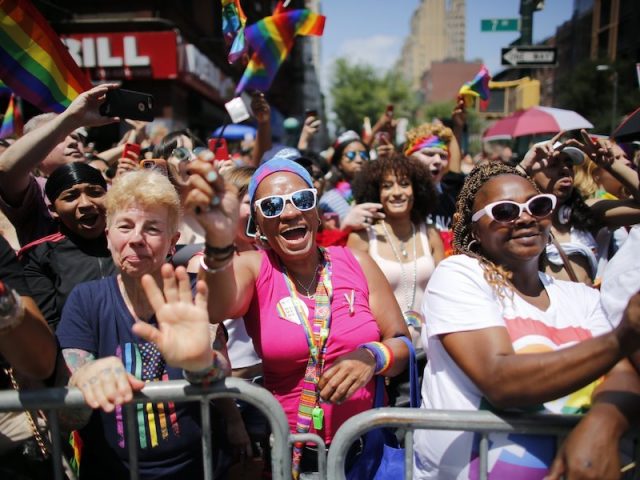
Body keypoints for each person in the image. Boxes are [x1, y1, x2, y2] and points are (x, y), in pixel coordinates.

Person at [184, 156, 410, 477]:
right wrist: (219, 243)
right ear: (259, 224)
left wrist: (372, 356)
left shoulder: (356, 261)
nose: (289, 212)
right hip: (295, 460)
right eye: (272, 206)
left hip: (368, 454)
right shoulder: (255, 267)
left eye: (301, 200)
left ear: (316, 212)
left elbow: (401, 342)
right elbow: (217, 307)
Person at [413, 162, 640, 479]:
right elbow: (500, 380)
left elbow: (623, 375)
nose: (524, 217)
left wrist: (603, 422)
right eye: (504, 211)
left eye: (538, 205)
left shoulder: (582, 297)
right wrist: (620, 340)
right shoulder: (459, 276)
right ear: (475, 229)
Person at [56, 170, 231, 479]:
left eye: (152, 228)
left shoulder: (190, 291)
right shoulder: (86, 300)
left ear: (173, 241)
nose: (136, 238)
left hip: (198, 469)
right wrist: (83, 380)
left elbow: (219, 374)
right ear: (108, 234)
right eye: (125, 225)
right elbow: (67, 416)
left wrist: (201, 362)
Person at [0, 84, 119, 246]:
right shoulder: (35, 192)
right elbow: (6, 169)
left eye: (76, 138)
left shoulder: (109, 187)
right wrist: (71, 118)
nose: (72, 143)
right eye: (61, 138)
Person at [518, 130, 640, 285]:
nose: (565, 170)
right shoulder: (515, 218)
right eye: (554, 164)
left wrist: (610, 164)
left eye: (569, 164)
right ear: (531, 174)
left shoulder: (589, 212)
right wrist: (521, 169)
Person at [349, 154, 444, 343]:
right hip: (386, 349)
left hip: (432, 344)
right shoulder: (361, 238)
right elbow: (352, 302)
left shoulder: (431, 234)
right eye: (387, 186)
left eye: (404, 183)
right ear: (376, 193)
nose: (396, 192)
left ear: (416, 190)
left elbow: (445, 291)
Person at [19, 162, 115, 330]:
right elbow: (46, 327)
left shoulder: (135, 240)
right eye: (71, 197)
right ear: (53, 210)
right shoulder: (38, 255)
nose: (85, 203)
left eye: (95, 193)